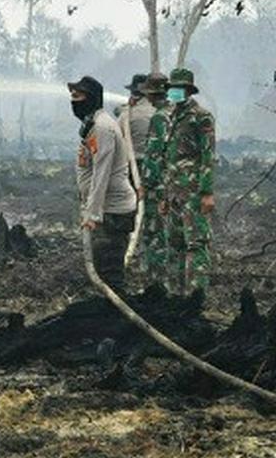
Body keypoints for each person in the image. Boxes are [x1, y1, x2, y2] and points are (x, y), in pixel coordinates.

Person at [146, 68, 215, 294]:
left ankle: (195, 297)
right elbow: (167, 158)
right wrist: (164, 196)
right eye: (173, 88)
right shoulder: (171, 117)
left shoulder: (201, 117)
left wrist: (206, 192)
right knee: (174, 245)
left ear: (188, 90)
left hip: (193, 192)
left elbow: (208, 155)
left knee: (196, 244)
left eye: (180, 88)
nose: (175, 92)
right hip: (173, 191)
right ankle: (175, 297)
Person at [69, 75, 138, 293]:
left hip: (113, 212)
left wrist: (93, 214)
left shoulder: (102, 128)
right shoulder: (94, 124)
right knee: (102, 269)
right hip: (106, 210)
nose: (73, 101)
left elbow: (102, 173)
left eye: (77, 96)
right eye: (72, 96)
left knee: (110, 272)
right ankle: (108, 311)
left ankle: (118, 315)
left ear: (91, 99)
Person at [135, 73, 169, 273]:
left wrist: (145, 185)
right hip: (176, 184)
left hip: (157, 188)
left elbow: (154, 156)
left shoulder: (158, 117)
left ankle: (156, 277)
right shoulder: (176, 113)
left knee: (153, 232)